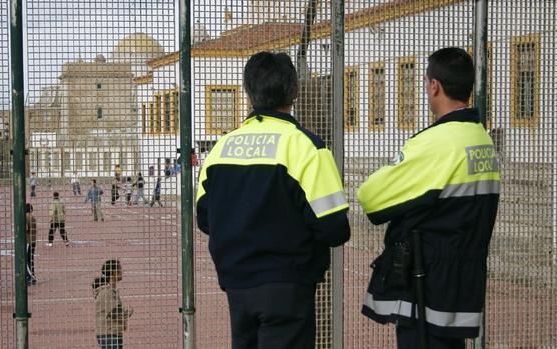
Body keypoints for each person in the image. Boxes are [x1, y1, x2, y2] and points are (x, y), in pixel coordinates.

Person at [195, 51, 350, 348]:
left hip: (236, 283)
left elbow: (205, 219)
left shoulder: (220, 150)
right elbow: (334, 228)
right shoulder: (307, 147)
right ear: (294, 91)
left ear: (248, 92)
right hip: (288, 285)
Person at [357, 47, 500, 349]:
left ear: (434, 85)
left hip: (427, 285)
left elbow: (371, 198)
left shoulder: (435, 143)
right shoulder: (481, 139)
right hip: (462, 283)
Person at [93, 259, 133, 349]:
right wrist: (128, 311)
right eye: (120, 269)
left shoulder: (110, 290)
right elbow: (114, 312)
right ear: (114, 272)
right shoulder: (106, 292)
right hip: (108, 333)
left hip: (113, 331)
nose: (122, 271)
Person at [25, 203, 37, 285]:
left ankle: (30, 277)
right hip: (32, 240)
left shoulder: (26, 217)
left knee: (26, 260)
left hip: (28, 241)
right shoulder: (32, 216)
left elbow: (27, 229)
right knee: (30, 259)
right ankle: (31, 276)